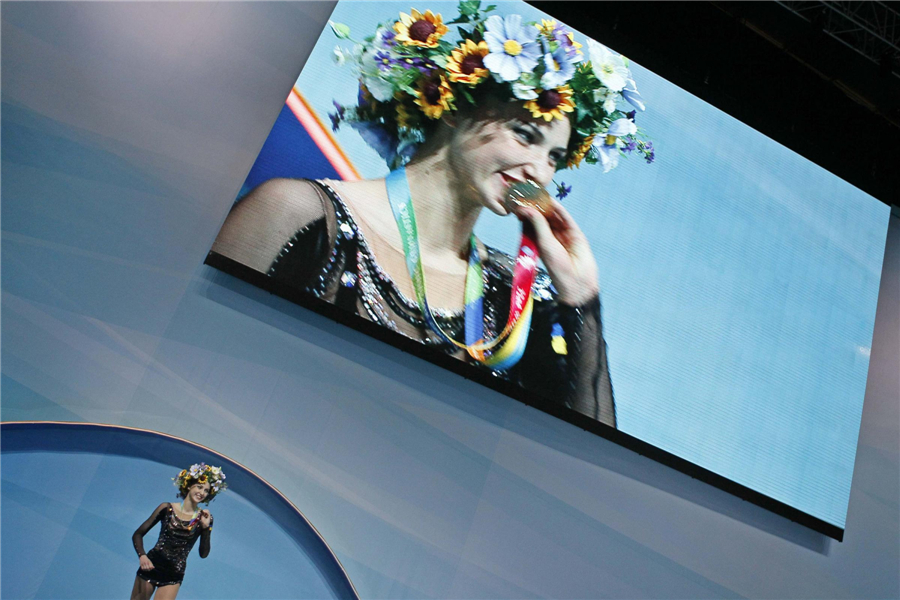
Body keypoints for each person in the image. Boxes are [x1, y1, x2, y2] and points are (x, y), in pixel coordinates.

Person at [210, 5, 655, 428]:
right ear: (455, 106)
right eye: (524, 135)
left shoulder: (521, 298)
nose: (539, 171)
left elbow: (579, 462)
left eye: (555, 157)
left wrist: (581, 299)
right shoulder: (298, 213)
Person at [130, 464, 227, 600]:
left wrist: (206, 529)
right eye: (199, 487)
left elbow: (203, 554)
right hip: (151, 566)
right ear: (188, 486)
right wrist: (142, 556)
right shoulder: (166, 508)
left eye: (206, 490)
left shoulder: (205, 518)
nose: (202, 492)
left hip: (174, 573)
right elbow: (138, 534)